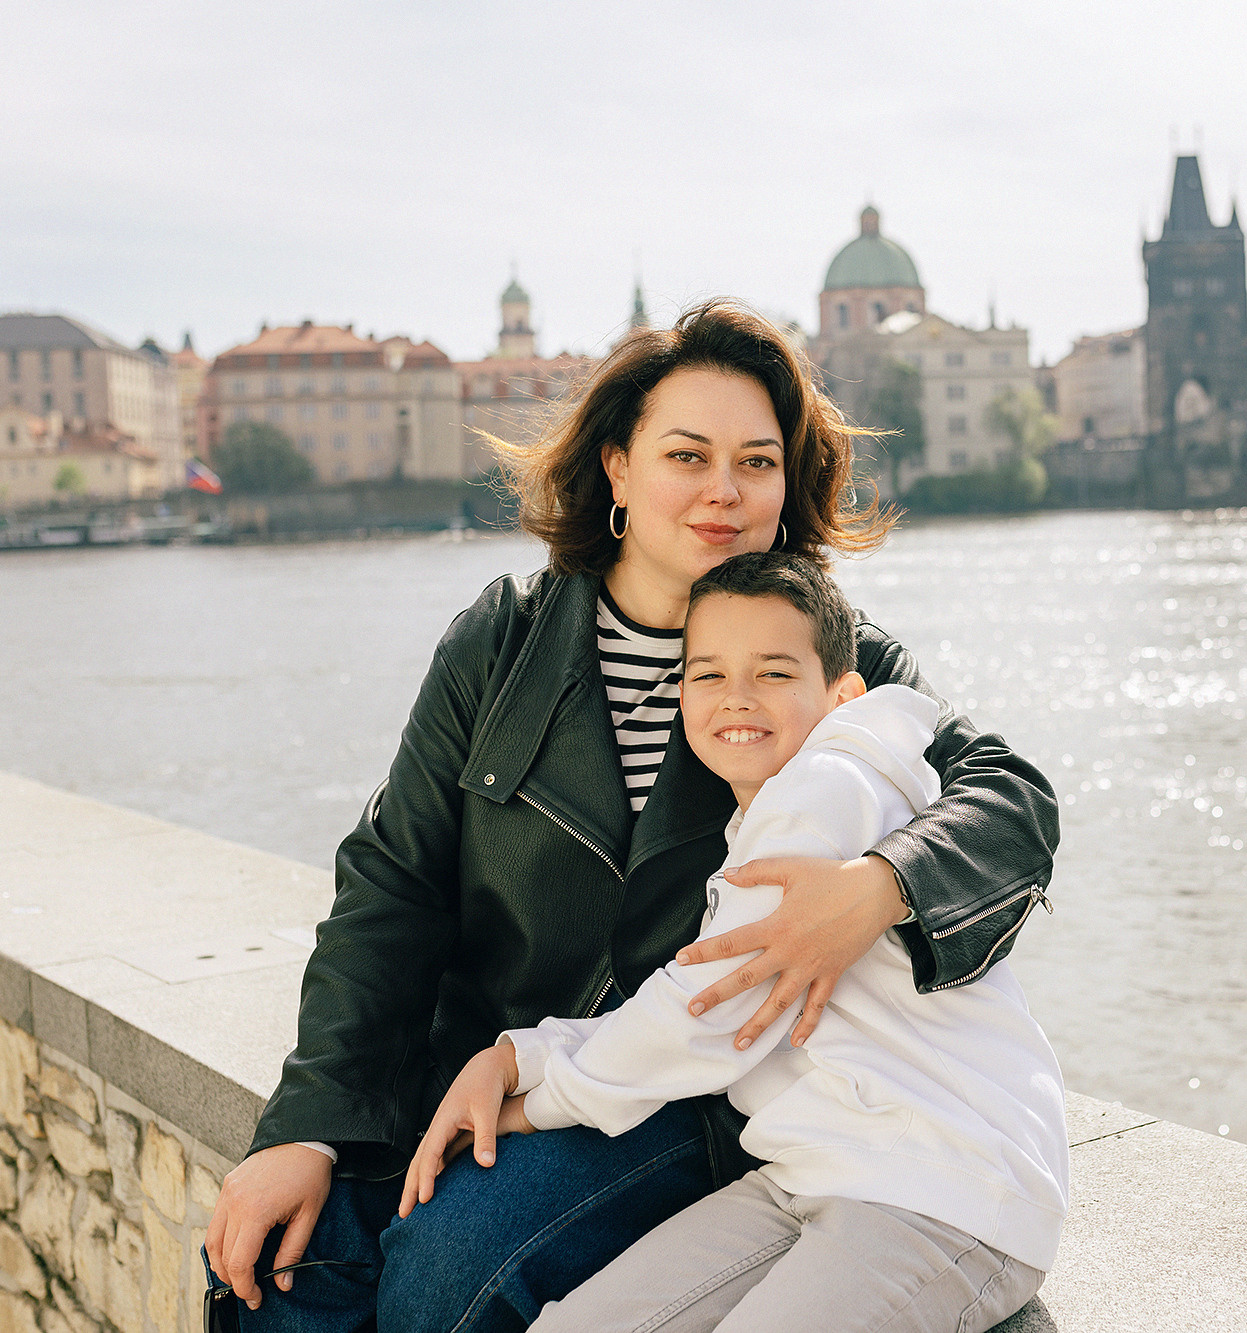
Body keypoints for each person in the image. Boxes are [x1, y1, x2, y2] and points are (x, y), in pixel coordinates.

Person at [202, 301, 1060, 1332]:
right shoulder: (501, 641)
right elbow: (391, 887)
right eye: (686, 454)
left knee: (454, 1269)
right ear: (616, 468)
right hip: (484, 1057)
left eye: (756, 461)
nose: (723, 491)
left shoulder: (837, 659)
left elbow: (1009, 798)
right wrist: (306, 1127)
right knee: (281, 1267)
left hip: (680, 1099)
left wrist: (872, 892)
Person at [401, 552, 1067, 1333]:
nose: (737, 698)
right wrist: (526, 1053)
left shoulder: (834, 783)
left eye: (775, 673)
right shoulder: (757, 825)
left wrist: (537, 1097)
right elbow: (704, 987)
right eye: (708, 675)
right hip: (808, 1172)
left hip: (944, 1185)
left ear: (843, 694)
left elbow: (710, 1014)